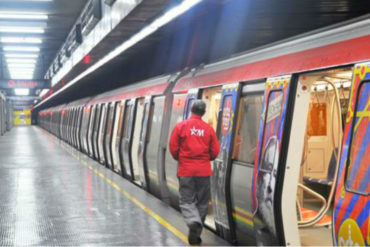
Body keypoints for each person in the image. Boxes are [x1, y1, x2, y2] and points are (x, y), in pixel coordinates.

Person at [169, 100, 220, 245]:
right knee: (202, 203)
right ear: (203, 112)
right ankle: (196, 235)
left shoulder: (181, 126)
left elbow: (173, 148)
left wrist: (182, 158)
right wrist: (205, 158)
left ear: (191, 109)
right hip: (204, 171)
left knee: (186, 200)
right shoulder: (208, 129)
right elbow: (215, 151)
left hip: (186, 170)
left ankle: (193, 221)